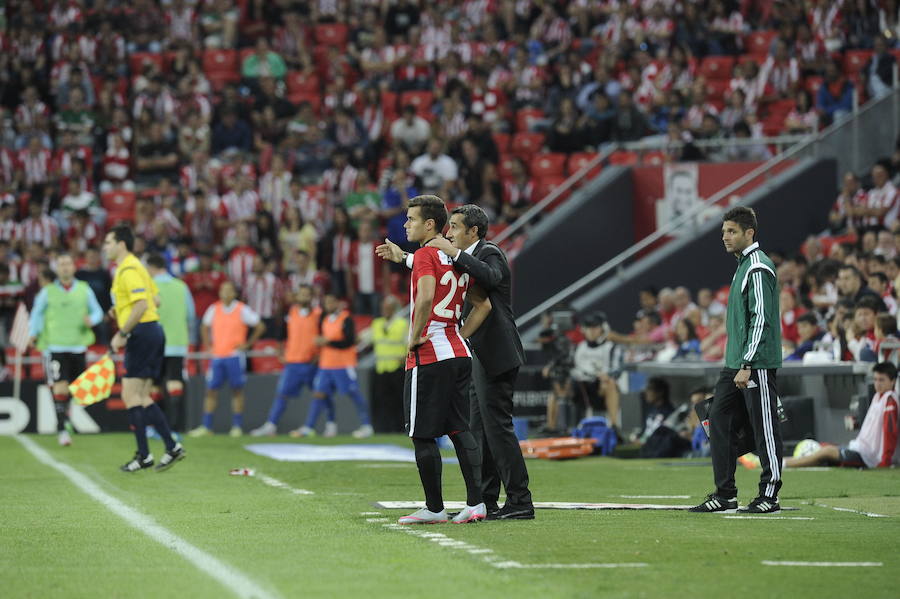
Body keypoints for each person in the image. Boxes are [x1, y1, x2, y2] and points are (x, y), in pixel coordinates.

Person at [388, 203, 536, 521]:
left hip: (495, 351)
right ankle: (482, 500)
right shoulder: (448, 258)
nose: (449, 234)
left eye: (455, 228)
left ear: (474, 232)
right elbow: (442, 274)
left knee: (497, 428)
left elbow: (490, 279)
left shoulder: (489, 252)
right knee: (475, 428)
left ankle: (520, 500)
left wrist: (421, 335)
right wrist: (405, 257)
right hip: (467, 352)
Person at [383, 195, 490, 525]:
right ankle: (476, 503)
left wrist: (415, 335)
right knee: (460, 428)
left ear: (430, 224)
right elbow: (483, 305)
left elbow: (427, 293)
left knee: (422, 434)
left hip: (429, 355)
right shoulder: (451, 257)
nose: (405, 225)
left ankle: (433, 508)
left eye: (411, 219)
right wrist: (461, 335)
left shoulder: (429, 254)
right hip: (458, 351)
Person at [690, 206, 784, 514]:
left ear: (749, 233)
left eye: (731, 231)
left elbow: (761, 320)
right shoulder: (743, 265)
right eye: (723, 232)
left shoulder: (757, 267)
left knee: (765, 428)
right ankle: (725, 494)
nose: (725, 237)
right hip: (735, 362)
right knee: (717, 419)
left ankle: (770, 494)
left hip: (753, 363)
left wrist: (747, 363)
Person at [103, 224, 185, 472]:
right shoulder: (138, 266)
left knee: (131, 396)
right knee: (141, 396)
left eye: (108, 242)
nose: (105, 247)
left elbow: (141, 305)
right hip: (152, 331)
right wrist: (121, 310)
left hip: (142, 332)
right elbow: (155, 300)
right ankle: (171, 446)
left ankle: (144, 455)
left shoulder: (127, 269)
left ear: (121, 244)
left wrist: (122, 332)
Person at [27, 253, 104, 446]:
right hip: (56, 346)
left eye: (68, 263)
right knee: (60, 386)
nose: (65, 267)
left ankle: (65, 418)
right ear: (57, 268)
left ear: (74, 267)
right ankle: (62, 429)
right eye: (61, 264)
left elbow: (98, 312)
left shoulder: (84, 290)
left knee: (74, 389)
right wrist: (33, 333)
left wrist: (92, 320)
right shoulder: (48, 291)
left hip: (78, 346)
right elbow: (37, 313)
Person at [779, 361, 898, 469]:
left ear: (893, 381)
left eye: (881, 380)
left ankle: (784, 464)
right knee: (823, 448)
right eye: (875, 379)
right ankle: (782, 461)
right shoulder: (878, 397)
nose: (877, 383)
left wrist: (885, 461)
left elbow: (890, 431)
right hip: (860, 448)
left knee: (826, 451)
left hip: (868, 456)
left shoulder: (890, 400)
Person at [190, 280, 265, 437]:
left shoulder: (241, 309)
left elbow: (260, 326)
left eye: (229, 290)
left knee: (237, 391)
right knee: (211, 391)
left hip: (235, 357)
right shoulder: (214, 308)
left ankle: (237, 427)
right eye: (223, 290)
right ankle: (206, 426)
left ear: (234, 293)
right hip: (217, 356)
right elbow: (204, 326)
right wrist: (208, 345)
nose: (225, 293)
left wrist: (248, 344)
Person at [295, 292, 373, 438]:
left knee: (353, 394)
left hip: (343, 364)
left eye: (331, 302)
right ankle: (313, 427)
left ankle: (366, 425)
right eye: (326, 303)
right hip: (326, 364)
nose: (328, 305)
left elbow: (349, 341)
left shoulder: (346, 319)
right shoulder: (324, 319)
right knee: (319, 394)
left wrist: (327, 342)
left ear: (338, 303)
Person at [250, 285, 321, 437]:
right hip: (293, 363)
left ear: (311, 297)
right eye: (301, 294)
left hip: (311, 363)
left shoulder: (318, 315)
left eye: (307, 295)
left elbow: (323, 335)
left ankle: (328, 424)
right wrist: (280, 352)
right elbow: (281, 335)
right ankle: (271, 425)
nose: (304, 297)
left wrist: (318, 356)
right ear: (297, 297)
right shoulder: (290, 313)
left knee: (321, 394)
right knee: (282, 395)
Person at [146, 253, 196, 433]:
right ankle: (174, 429)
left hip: (154, 344)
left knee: (154, 385)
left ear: (151, 268)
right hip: (177, 343)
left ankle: (154, 428)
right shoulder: (181, 287)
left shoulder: (150, 287)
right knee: (175, 382)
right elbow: (191, 316)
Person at [570, 311, 623, 428]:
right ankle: (559, 428)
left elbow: (617, 370)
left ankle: (614, 427)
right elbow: (570, 367)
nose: (591, 331)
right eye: (588, 328)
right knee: (560, 384)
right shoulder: (579, 347)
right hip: (581, 385)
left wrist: (607, 375)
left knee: (610, 384)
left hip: (600, 386)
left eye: (595, 327)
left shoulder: (612, 347)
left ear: (603, 328)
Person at [370, 295, 408, 433]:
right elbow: (368, 338)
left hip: (396, 367)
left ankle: (400, 428)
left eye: (388, 308)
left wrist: (405, 357)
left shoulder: (402, 324)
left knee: (398, 401)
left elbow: (407, 342)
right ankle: (383, 429)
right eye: (383, 308)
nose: (384, 310)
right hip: (381, 368)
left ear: (394, 309)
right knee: (382, 402)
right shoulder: (377, 323)